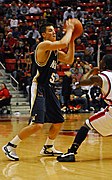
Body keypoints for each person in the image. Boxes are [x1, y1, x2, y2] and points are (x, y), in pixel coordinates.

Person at [2, 20, 75, 161]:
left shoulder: (54, 51)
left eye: (54, 30)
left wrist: (72, 41)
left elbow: (69, 59)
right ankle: (10, 146)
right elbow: (63, 43)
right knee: (37, 125)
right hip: (39, 86)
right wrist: (70, 30)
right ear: (43, 34)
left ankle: (48, 147)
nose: (53, 32)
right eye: (50, 30)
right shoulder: (43, 45)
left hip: (49, 88)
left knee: (58, 120)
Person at [57, 54, 112, 162]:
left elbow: (82, 82)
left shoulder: (101, 77)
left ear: (104, 64)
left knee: (87, 124)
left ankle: (71, 152)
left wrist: (91, 71)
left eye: (101, 61)